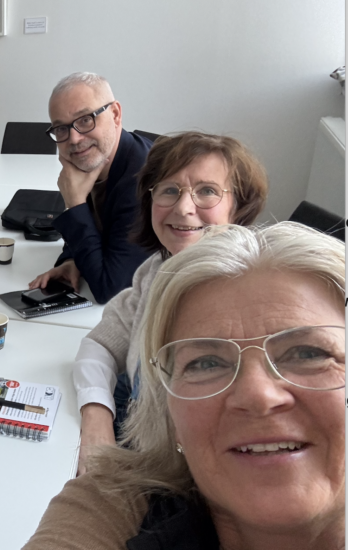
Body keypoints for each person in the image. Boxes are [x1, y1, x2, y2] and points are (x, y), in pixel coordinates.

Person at [23, 223, 345, 550]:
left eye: (309, 353)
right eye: (206, 363)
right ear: (169, 411)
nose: (257, 395)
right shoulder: (112, 506)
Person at [74, 132, 268, 475]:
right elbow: (100, 343)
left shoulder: (249, 298)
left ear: (237, 206)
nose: (183, 208)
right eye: (169, 190)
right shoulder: (158, 269)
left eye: (207, 191)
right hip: (137, 443)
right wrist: (96, 416)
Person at [29, 72, 153, 304]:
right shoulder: (94, 160)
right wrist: (72, 260)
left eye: (85, 119)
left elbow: (110, 289)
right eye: (61, 128)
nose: (74, 139)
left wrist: (74, 203)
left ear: (115, 114)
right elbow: (98, 232)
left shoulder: (142, 180)